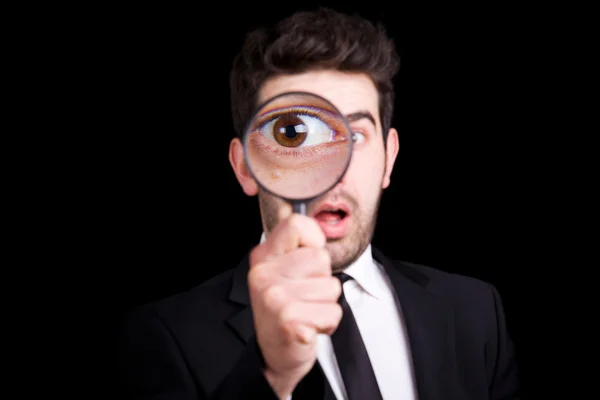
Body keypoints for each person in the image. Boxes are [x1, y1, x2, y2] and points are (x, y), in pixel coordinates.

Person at [118, 7, 522, 399]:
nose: (333, 170)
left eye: (356, 136)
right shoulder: (166, 335)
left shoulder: (475, 313)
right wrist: (271, 373)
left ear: (389, 158)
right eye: (293, 134)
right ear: (245, 168)